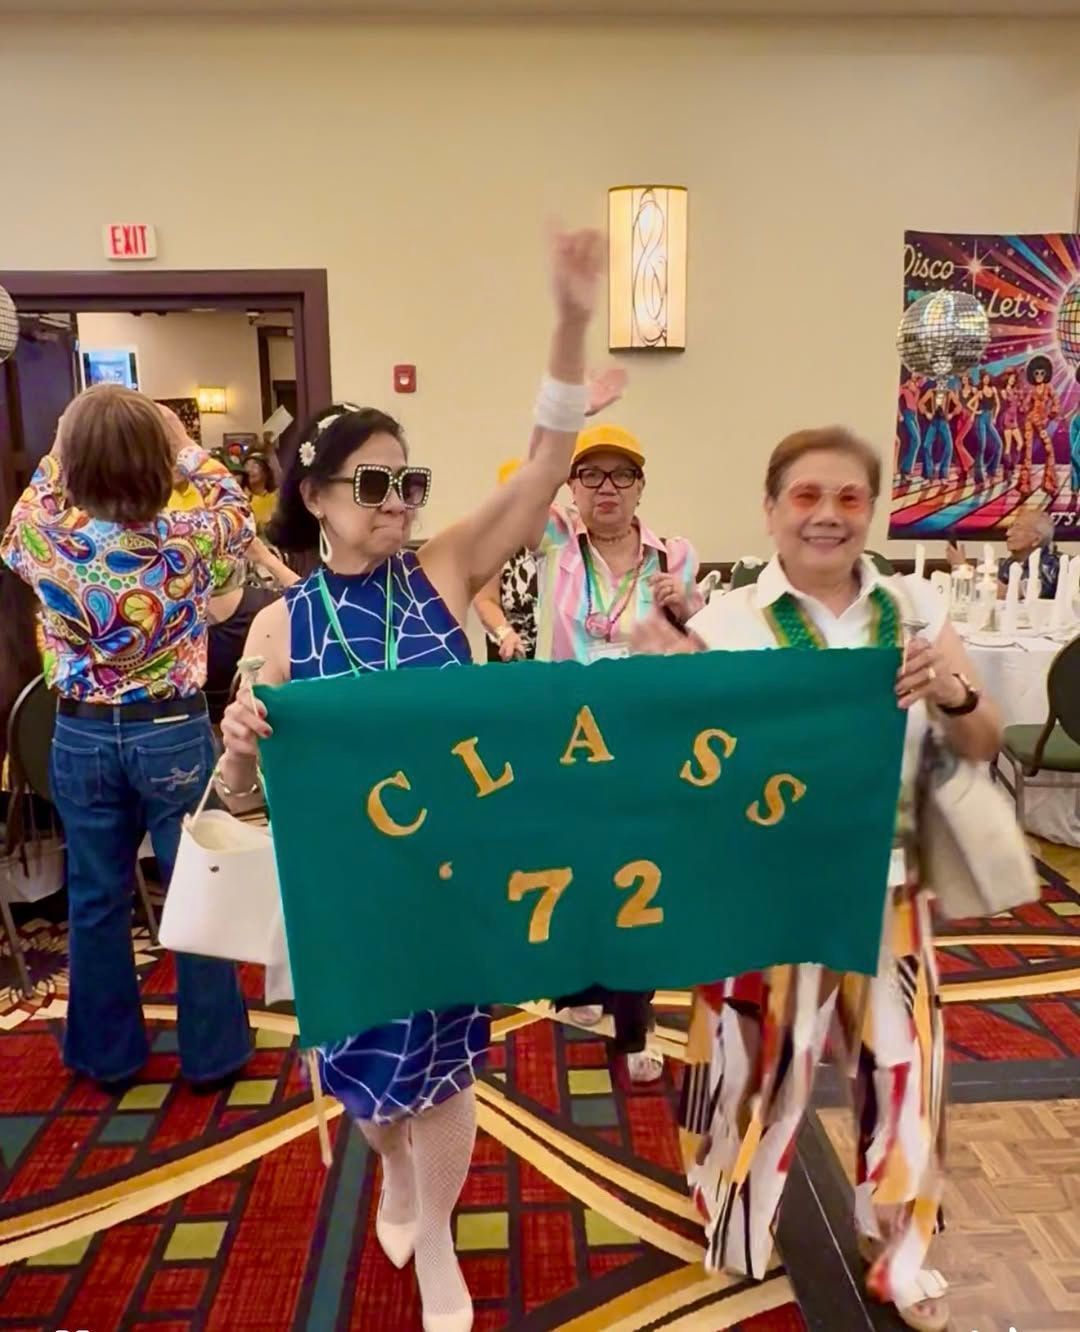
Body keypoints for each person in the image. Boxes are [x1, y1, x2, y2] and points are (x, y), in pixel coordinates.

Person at [217, 225, 604, 1332]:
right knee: (367, 1089)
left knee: (444, 1071)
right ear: (316, 495)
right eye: (375, 483)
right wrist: (238, 747)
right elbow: (242, 801)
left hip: (449, 880)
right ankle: (394, 1170)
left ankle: (435, 1238)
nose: (399, 501)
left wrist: (571, 321)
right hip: (343, 899)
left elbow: (545, 469)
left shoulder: (443, 571)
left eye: (410, 481)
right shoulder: (282, 628)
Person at [634, 426, 1001, 1332]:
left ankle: (902, 1245)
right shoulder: (724, 626)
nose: (827, 515)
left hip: (889, 889)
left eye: (848, 497)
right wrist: (666, 688)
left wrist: (954, 693)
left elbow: (982, 741)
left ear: (870, 509)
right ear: (770, 510)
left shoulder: (916, 608)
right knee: (753, 1071)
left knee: (902, 1070)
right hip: (765, 896)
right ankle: (734, 1219)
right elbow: (676, 771)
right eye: (806, 496)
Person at [0, 386, 255, 1091]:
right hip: (172, 730)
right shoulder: (189, 537)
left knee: (95, 898)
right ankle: (214, 1054)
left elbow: (25, 512)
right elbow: (236, 510)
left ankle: (108, 1056)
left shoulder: (45, 539)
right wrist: (184, 445)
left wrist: (62, 442)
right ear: (158, 463)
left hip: (80, 734)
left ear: (73, 465)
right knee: (199, 888)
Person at [532, 421, 701, 1083]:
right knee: (578, 867)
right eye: (591, 474)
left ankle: (637, 1021)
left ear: (640, 486)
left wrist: (690, 608)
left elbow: (698, 651)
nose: (608, 487)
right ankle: (580, 985)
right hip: (568, 738)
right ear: (572, 487)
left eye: (622, 474)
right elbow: (523, 491)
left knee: (638, 874)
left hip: (643, 740)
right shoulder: (553, 541)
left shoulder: (675, 556)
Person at [472, 369, 627, 662]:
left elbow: (544, 477)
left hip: (566, 655)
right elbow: (485, 599)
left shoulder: (557, 530)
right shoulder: (496, 541)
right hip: (514, 653)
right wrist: (504, 632)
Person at [205, 539, 298, 726]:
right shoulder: (271, 610)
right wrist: (267, 559)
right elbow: (319, 606)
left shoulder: (175, 621)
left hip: (196, 728)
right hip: (260, 723)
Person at [996, 507, 1061, 598]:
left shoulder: (1052, 564)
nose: (1008, 533)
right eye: (1010, 527)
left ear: (1036, 540)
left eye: (1018, 528)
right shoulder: (1007, 563)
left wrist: (1003, 590)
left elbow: (1034, 588)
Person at [243, 454, 279, 533]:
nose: (249, 470)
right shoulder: (242, 500)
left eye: (255, 465)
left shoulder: (277, 497)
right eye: (246, 466)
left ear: (266, 472)